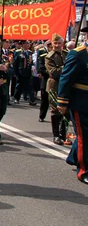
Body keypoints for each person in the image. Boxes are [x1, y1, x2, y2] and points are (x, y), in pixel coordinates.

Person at [57, 26, 88, 185]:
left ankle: (73, 157)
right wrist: (62, 101)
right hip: (82, 102)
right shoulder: (78, 54)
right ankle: (84, 170)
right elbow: (66, 78)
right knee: (84, 136)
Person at [45, 34, 69, 145]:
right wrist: (66, 67)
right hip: (54, 85)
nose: (57, 45)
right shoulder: (50, 56)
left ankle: (63, 134)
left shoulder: (66, 54)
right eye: (55, 43)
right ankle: (56, 135)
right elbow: (53, 72)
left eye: (59, 43)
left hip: (65, 85)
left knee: (66, 109)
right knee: (56, 110)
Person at [14, 40, 36, 106]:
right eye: (26, 43)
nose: (27, 45)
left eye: (28, 43)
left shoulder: (30, 52)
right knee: (19, 86)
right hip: (20, 72)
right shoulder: (18, 52)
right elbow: (15, 63)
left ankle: (32, 100)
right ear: (22, 44)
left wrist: (32, 67)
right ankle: (16, 98)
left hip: (28, 72)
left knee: (30, 87)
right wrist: (16, 73)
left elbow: (31, 61)